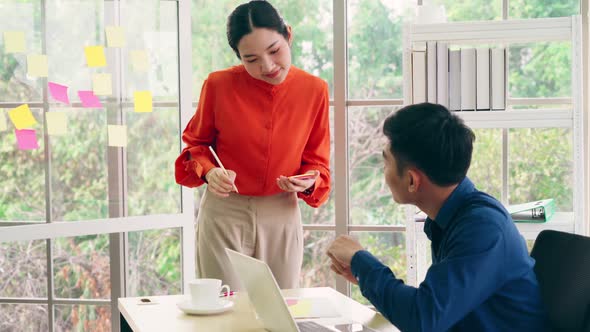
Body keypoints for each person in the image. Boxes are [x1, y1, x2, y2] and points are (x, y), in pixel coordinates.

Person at [327, 103, 547, 331]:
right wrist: (367, 278)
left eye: (386, 162)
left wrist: (361, 261)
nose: (384, 172)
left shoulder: (482, 228)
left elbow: (422, 319)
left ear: (412, 180)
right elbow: (431, 310)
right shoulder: (455, 217)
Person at [175, 0, 330, 290]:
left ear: (289, 35)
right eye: (251, 59)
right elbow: (196, 146)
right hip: (224, 213)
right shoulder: (218, 85)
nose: (268, 66)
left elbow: (317, 162)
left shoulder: (314, 90)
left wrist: (308, 180)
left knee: (281, 309)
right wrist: (209, 172)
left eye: (274, 51)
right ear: (238, 57)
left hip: (282, 213)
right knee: (225, 311)